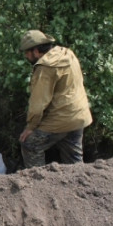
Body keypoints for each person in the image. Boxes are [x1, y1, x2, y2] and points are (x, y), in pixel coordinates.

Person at [18, 30, 92, 168]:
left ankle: (38, 183)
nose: (26, 56)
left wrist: (31, 127)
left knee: (30, 144)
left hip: (61, 118)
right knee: (73, 159)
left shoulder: (45, 68)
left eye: (27, 52)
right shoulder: (67, 53)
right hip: (79, 115)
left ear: (35, 51)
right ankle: (80, 184)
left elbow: (38, 103)